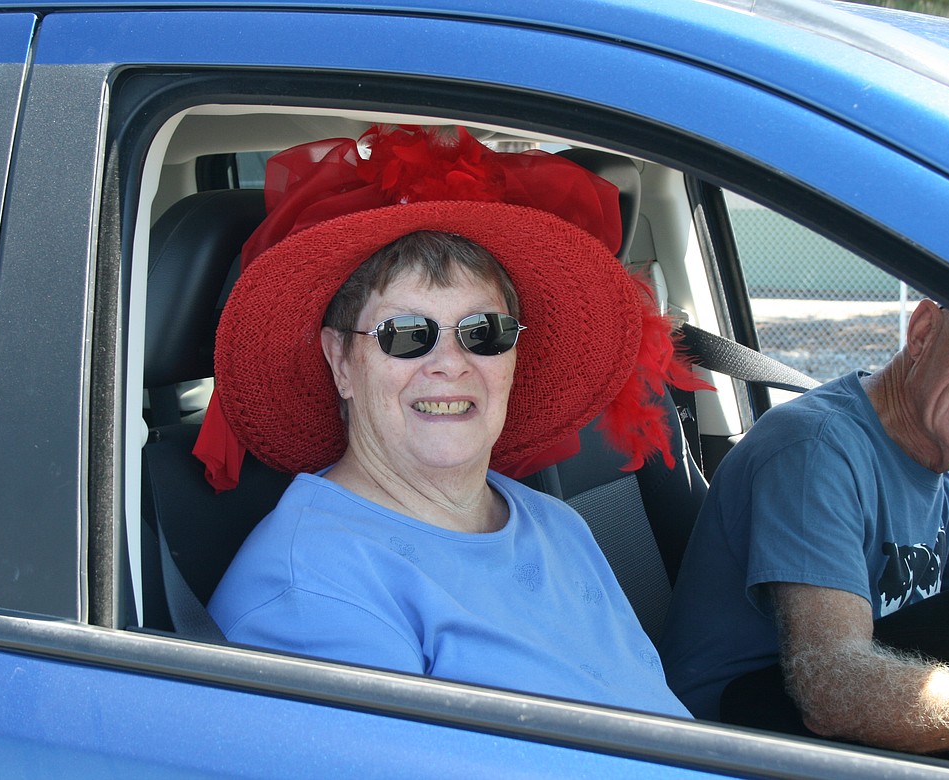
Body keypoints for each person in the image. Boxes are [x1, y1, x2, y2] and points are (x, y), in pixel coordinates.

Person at [197, 125, 709, 717]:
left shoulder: (557, 524)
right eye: (407, 334)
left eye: (482, 332)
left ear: (515, 354)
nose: (449, 364)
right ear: (341, 360)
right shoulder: (309, 589)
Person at [661, 298, 949, 774]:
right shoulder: (812, 452)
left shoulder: (946, 477)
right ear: (923, 332)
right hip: (726, 746)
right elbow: (831, 687)